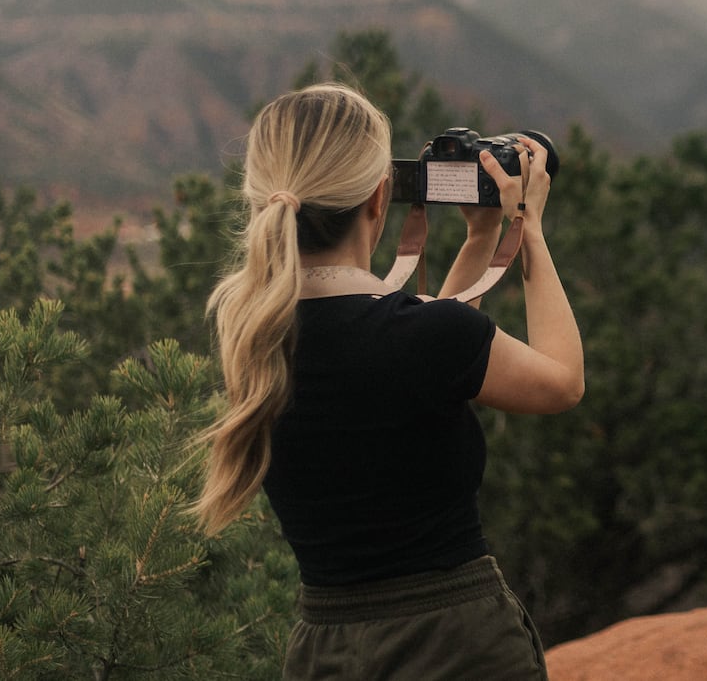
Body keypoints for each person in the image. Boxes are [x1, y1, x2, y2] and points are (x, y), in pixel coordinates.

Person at [191, 83, 583, 679]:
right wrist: (526, 230)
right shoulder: (422, 337)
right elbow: (562, 383)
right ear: (381, 198)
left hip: (325, 652)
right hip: (455, 645)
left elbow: (425, 355)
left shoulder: (254, 340)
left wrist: (480, 240)